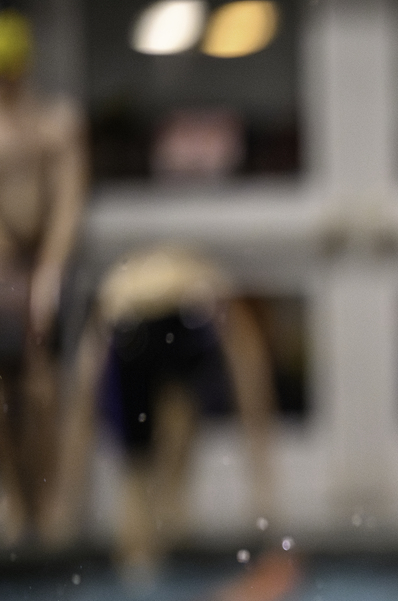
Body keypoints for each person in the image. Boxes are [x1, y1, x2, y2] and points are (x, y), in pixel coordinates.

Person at [42, 246, 275, 579]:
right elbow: (252, 383)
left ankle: (139, 566)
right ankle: (167, 534)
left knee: (137, 470)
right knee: (176, 433)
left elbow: (82, 400)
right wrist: (264, 492)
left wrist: (63, 510)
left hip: (128, 322)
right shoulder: (211, 285)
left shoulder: (122, 287)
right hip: (180, 315)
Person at [0, 10, 86, 545]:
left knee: (43, 386)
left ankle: (48, 502)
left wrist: (48, 271)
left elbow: (68, 201)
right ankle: (14, 497)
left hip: (42, 266)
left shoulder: (54, 123)